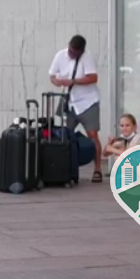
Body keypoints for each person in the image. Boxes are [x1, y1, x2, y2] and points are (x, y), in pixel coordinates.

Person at [49, 34, 103, 183]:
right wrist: (58, 82)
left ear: (81, 51)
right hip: (69, 101)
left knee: (93, 135)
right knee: (66, 137)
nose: (72, 54)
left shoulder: (87, 57)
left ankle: (97, 169)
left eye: (76, 53)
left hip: (87, 102)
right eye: (71, 51)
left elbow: (93, 78)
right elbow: (52, 76)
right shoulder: (60, 55)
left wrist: (73, 81)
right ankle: (68, 170)